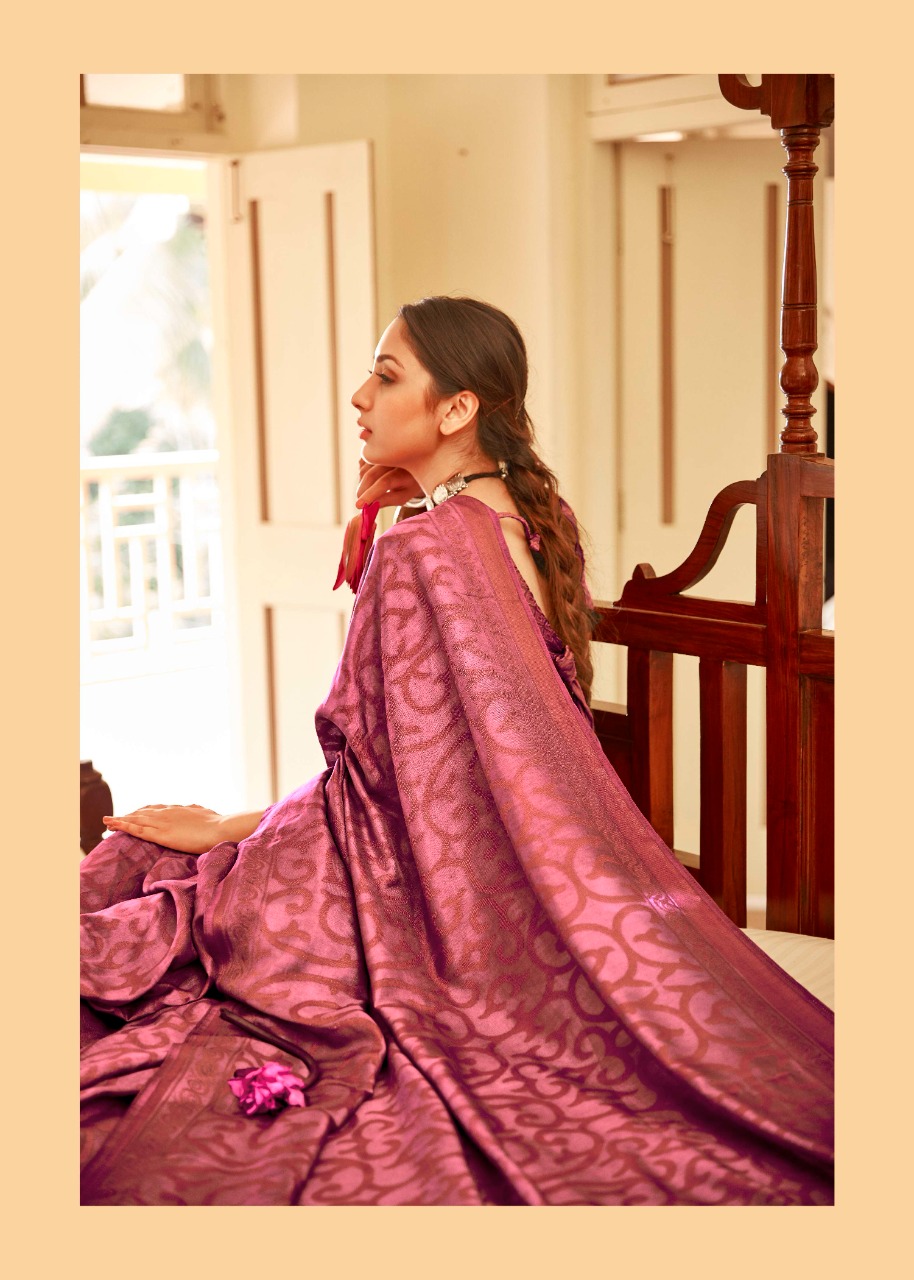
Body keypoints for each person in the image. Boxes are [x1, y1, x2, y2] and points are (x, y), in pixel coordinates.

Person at [81, 296, 833, 1206]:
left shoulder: (422, 551)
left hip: (421, 881)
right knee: (159, 874)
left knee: (138, 878)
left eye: (385, 375)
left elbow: (373, 783)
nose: (359, 397)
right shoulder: (536, 516)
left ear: (457, 409)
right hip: (507, 867)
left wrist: (228, 830)